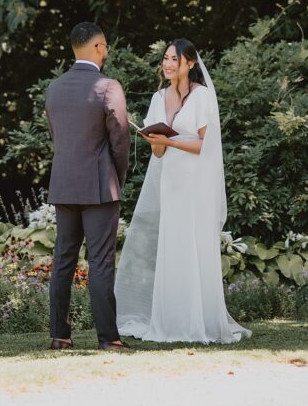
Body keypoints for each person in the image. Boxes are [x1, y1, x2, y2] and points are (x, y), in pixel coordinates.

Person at [115, 39, 251, 343]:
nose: (167, 64)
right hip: (172, 182)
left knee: (194, 246)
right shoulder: (157, 97)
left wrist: (172, 141)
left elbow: (204, 144)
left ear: (189, 63)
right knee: (173, 246)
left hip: (197, 183)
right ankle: (171, 321)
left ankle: (200, 320)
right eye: (165, 58)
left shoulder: (202, 97)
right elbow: (160, 155)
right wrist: (155, 141)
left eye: (173, 59)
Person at [44, 22, 131, 351]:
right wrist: (116, 178)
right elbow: (120, 141)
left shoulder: (54, 88)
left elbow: (57, 137)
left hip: (64, 184)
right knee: (101, 261)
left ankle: (60, 335)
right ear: (99, 47)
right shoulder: (108, 87)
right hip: (98, 186)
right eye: (105, 47)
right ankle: (108, 337)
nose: (106, 53)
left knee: (64, 258)